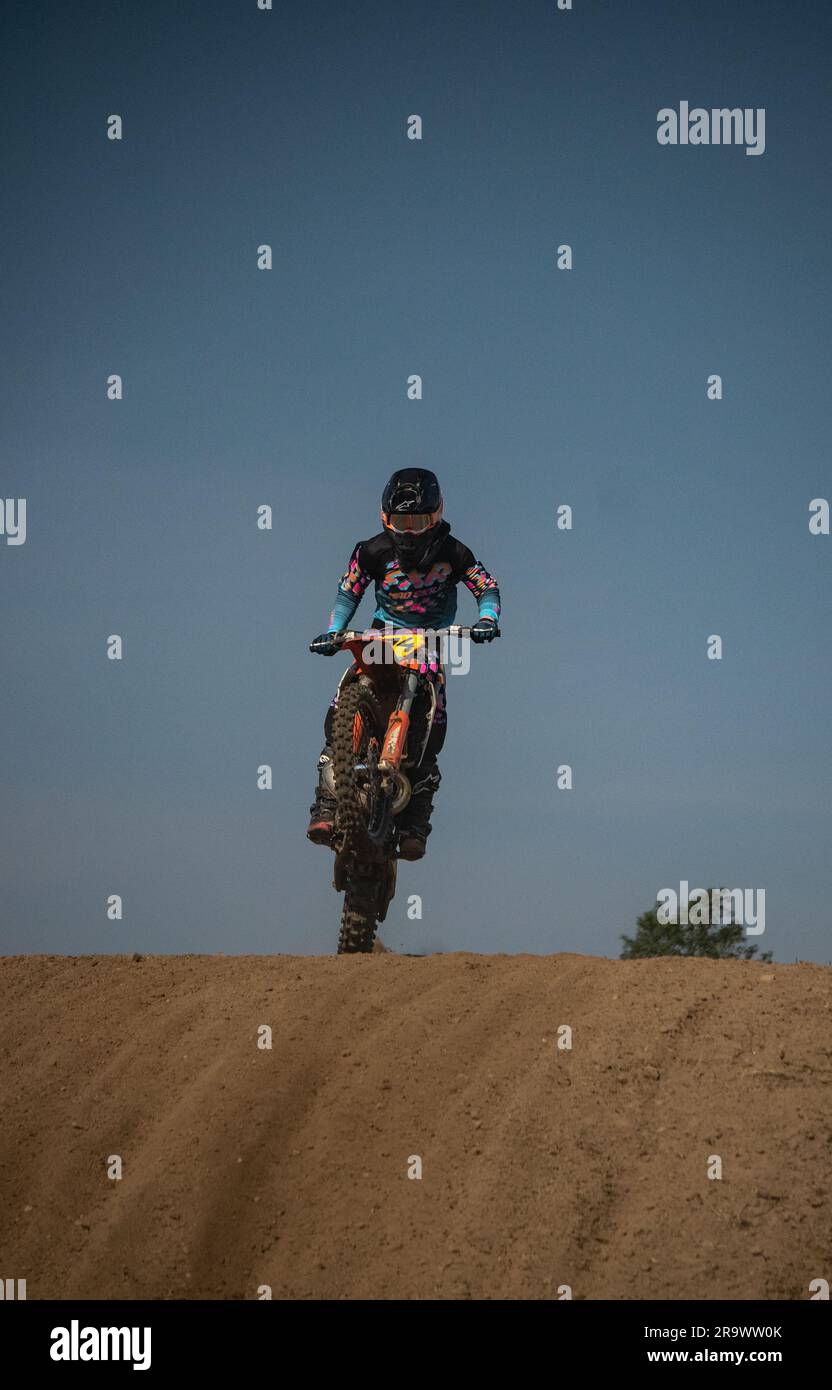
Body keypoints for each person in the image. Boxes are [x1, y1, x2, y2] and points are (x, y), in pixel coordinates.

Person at [307, 468, 501, 859]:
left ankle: (415, 824)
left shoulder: (455, 552)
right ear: (385, 518)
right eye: (401, 522)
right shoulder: (371, 550)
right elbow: (348, 592)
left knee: (433, 730)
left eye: (418, 522)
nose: (410, 532)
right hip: (384, 634)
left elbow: (486, 586)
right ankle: (327, 804)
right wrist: (334, 631)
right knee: (348, 692)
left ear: (436, 516)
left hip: (431, 641)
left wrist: (487, 620)